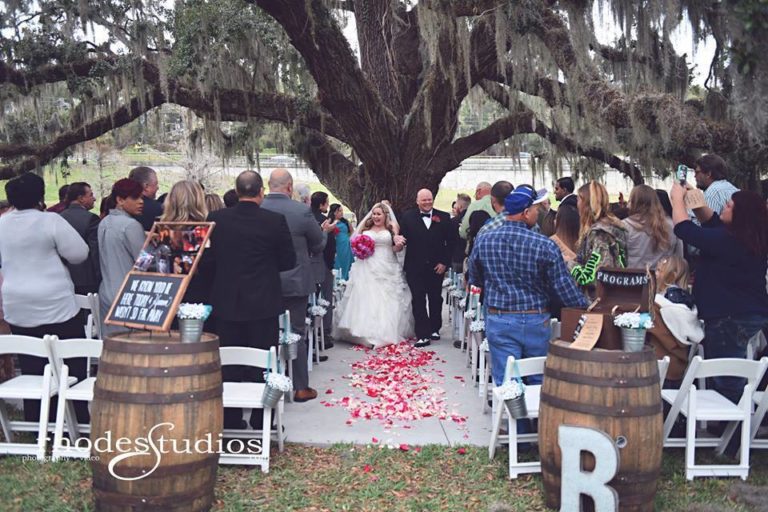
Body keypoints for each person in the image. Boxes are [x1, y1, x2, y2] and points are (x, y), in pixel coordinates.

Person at [467, 184, 588, 387]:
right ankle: (534, 418)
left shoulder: (484, 239)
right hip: (535, 319)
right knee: (536, 379)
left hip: (499, 317)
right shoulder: (544, 245)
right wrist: (585, 306)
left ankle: (517, 419)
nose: (537, 213)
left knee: (508, 381)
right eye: (535, 210)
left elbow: (475, 278)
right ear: (525, 213)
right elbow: (563, 287)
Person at [206, 171, 296, 429]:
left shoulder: (216, 219)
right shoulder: (274, 221)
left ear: (237, 190)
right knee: (264, 362)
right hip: (263, 300)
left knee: (229, 362)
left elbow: (209, 260)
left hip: (226, 300)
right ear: (261, 192)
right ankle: (261, 420)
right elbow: (288, 261)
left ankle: (232, 420)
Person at [0, 172, 89, 421]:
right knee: (70, 360)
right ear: (40, 196)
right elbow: (79, 253)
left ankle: (38, 418)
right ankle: (76, 415)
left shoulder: (2, 223)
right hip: (55, 302)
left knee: (31, 363)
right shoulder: (50, 221)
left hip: (17, 303)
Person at [671, 183, 768, 404]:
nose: (723, 206)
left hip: (729, 316)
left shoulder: (728, 241)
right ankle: (732, 424)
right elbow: (712, 222)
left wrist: (677, 199)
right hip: (746, 311)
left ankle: (733, 429)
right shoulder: (746, 237)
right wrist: (696, 201)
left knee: (728, 377)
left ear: (740, 215)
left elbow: (684, 229)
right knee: (730, 370)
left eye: (729, 205)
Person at [262, 168, 334, 401]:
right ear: (290, 187)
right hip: (295, 280)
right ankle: (300, 387)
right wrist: (323, 235)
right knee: (296, 332)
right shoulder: (301, 211)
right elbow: (317, 246)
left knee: (265, 332)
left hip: (264, 281)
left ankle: (269, 382)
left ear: (268, 185)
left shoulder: (259, 209)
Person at [333, 203, 413, 347]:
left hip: (387, 264)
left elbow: (395, 248)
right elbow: (354, 241)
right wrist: (360, 249)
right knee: (367, 297)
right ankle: (365, 332)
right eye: (374, 214)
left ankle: (385, 332)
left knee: (387, 298)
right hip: (367, 265)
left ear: (385, 215)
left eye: (379, 214)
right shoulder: (366, 228)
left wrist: (399, 245)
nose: (375, 217)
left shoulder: (392, 227)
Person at [399, 189, 455, 347]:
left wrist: (444, 262)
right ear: (417, 201)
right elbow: (402, 237)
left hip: (436, 266)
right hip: (414, 266)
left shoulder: (443, 217)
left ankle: (435, 327)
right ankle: (422, 334)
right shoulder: (408, 217)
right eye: (423, 200)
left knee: (435, 298)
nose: (427, 202)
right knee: (418, 299)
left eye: (429, 199)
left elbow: (451, 243)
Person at [98, 179, 146, 336]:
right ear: (120, 199)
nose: (141, 202)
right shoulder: (130, 225)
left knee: (113, 345)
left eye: (141, 197)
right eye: (135, 198)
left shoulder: (104, 222)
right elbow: (144, 262)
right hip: (129, 294)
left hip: (106, 291)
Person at [647, 255, 703, 384]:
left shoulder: (658, 306)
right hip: (678, 368)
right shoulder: (687, 305)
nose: (655, 274)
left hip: (660, 368)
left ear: (670, 276)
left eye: (659, 271)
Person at [160, 181, 211, 308]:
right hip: (201, 294)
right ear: (198, 200)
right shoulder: (206, 229)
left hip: (168, 292)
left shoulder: (162, 229)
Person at [570, 181, 628, 287]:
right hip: (615, 294)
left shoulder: (600, 234)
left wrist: (569, 264)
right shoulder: (614, 227)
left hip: (598, 299)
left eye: (578, 199)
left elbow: (596, 278)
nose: (576, 204)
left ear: (586, 203)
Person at [622, 184, 682, 269]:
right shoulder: (672, 226)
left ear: (634, 202)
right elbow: (679, 257)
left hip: (632, 278)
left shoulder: (624, 226)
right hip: (662, 278)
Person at [60, 182, 101, 295]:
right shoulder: (91, 219)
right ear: (81, 198)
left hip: (64, 277)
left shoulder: (59, 217)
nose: (94, 198)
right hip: (87, 278)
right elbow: (95, 252)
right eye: (91, 195)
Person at [310, 191, 336, 345]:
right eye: (326, 202)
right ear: (321, 205)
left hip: (309, 265)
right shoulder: (324, 221)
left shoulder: (307, 217)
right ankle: (325, 332)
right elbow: (329, 246)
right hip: (323, 264)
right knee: (325, 299)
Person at [128, 166, 162, 231]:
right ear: (146, 186)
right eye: (156, 183)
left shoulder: (123, 207)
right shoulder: (158, 209)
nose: (158, 187)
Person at [329, 204, 353, 280]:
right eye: (339, 211)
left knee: (347, 261)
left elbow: (352, 231)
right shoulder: (330, 222)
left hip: (346, 244)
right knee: (337, 262)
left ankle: (346, 278)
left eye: (342, 210)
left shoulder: (345, 222)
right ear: (334, 212)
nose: (341, 212)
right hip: (336, 244)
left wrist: (350, 239)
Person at [451, 193, 471, 273]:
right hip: (469, 257)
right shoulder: (473, 219)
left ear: (460, 206)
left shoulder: (453, 221)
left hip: (456, 257)